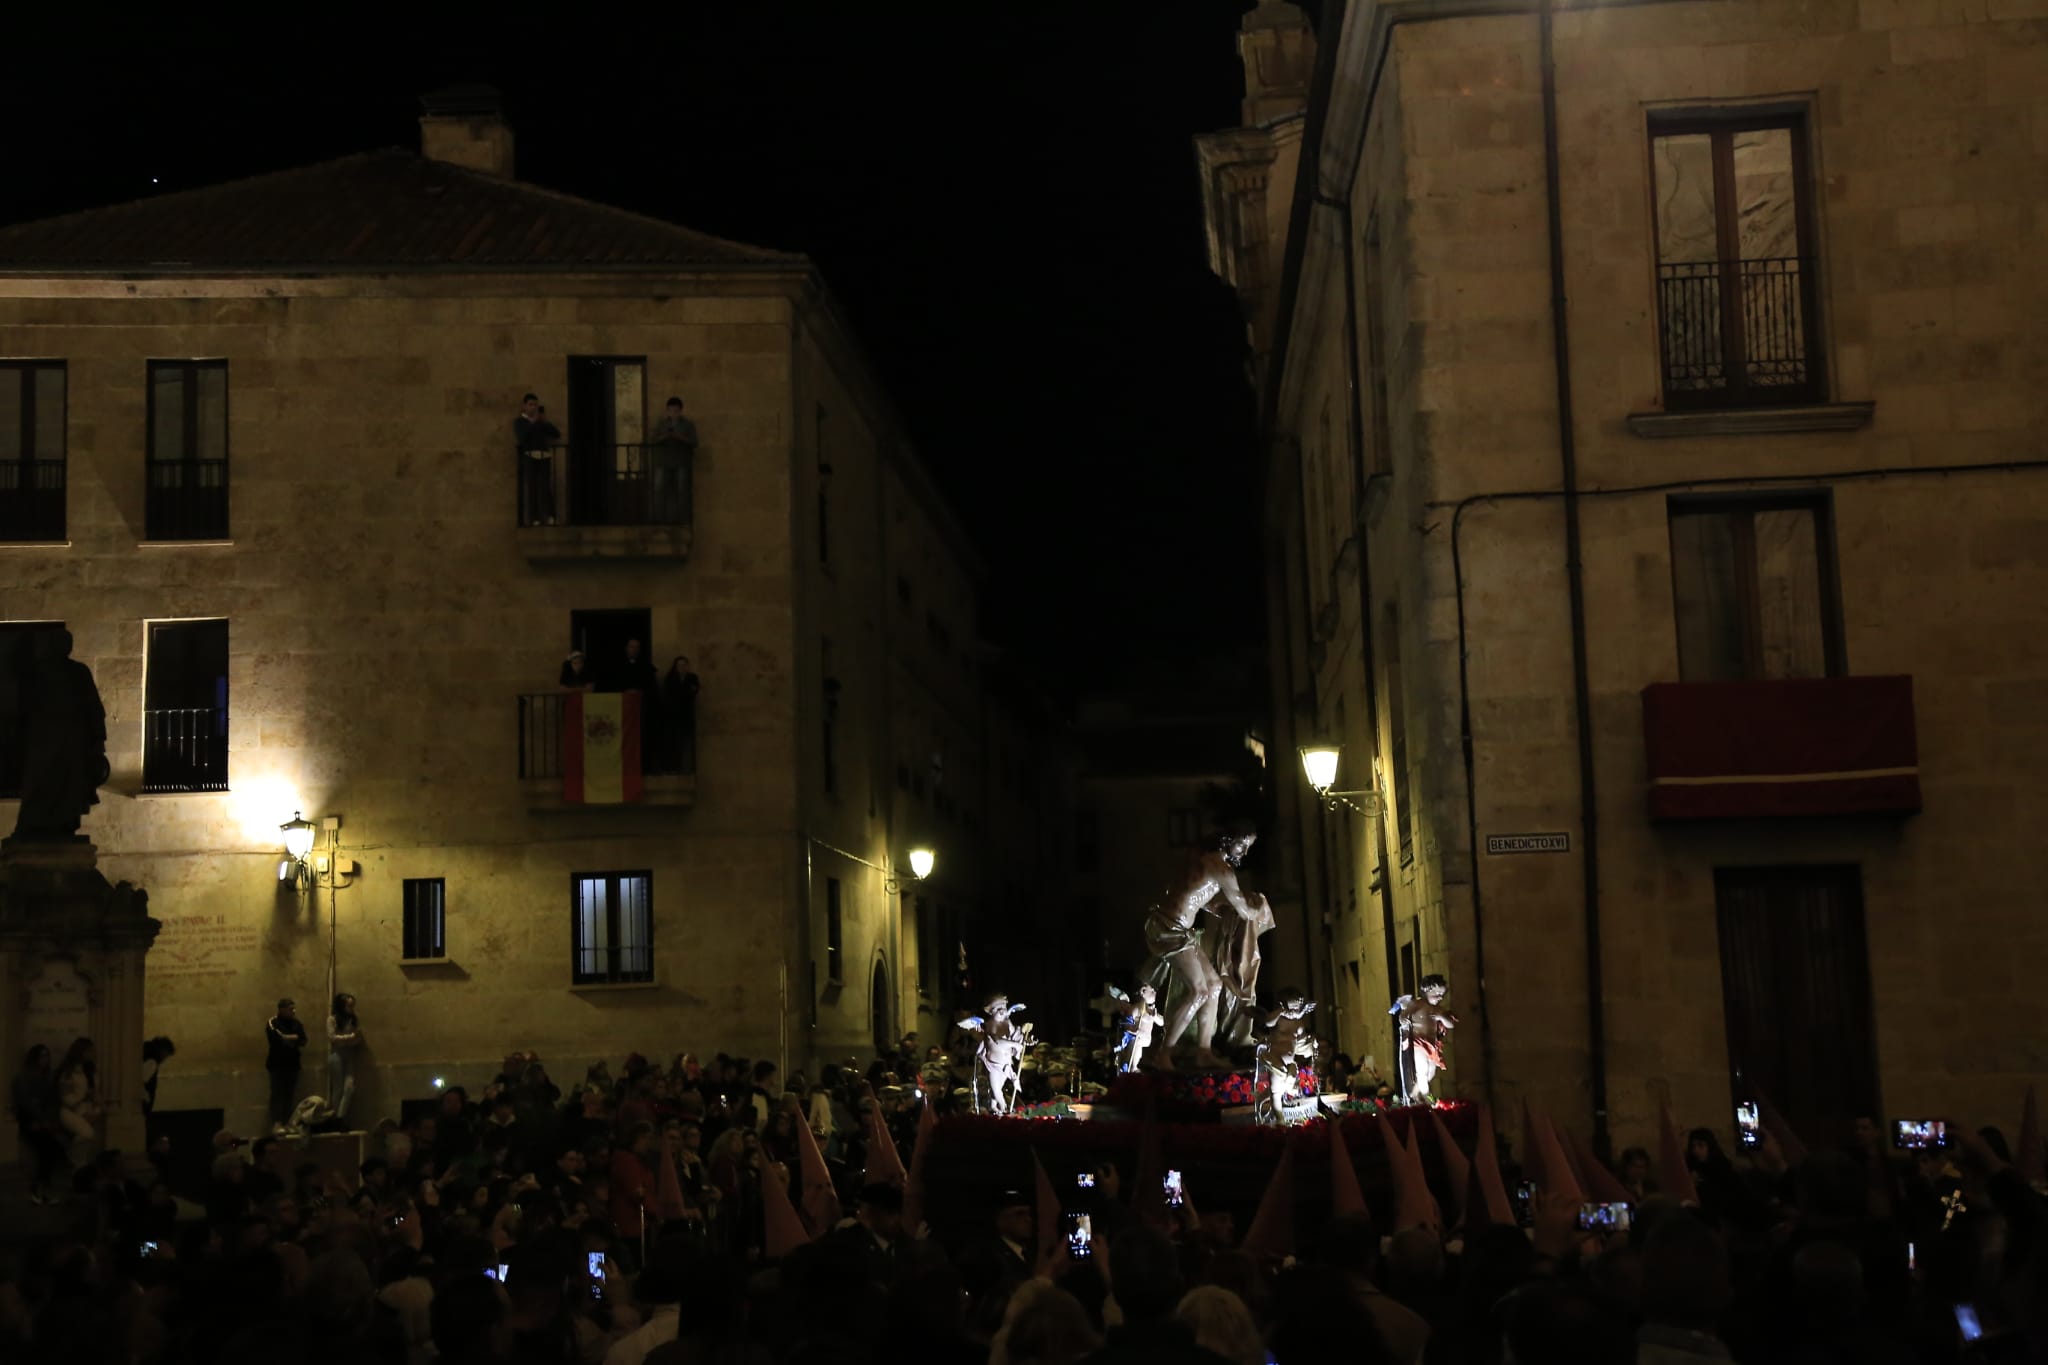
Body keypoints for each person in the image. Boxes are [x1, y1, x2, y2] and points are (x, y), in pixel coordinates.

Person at [1136, 823, 1274, 1069]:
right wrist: (1260, 905)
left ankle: (1204, 1051)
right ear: (1227, 841)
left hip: (1177, 929)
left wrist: (1215, 907)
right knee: (1199, 990)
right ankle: (1164, 1054)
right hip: (1169, 930)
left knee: (1214, 985)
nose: (1243, 852)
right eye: (1241, 844)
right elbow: (1245, 910)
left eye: (1247, 847)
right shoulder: (1222, 869)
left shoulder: (1201, 860)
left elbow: (1191, 894)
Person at [11, 1044, 67, 1203]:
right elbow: (26, 1104)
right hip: (30, 1122)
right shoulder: (22, 1078)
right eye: (42, 1056)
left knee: (52, 1148)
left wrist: (49, 1121)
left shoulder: (47, 1079)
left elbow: (53, 1102)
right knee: (47, 1148)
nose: (45, 1060)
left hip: (45, 1122)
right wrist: (41, 1120)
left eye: (47, 1056)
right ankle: (39, 1187)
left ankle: (42, 1186)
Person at [1390, 974, 1455, 1105]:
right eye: (1436, 993)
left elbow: (1450, 1024)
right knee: (1422, 1070)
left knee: (1431, 1072)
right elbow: (1403, 1015)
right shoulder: (1417, 1004)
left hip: (1431, 1044)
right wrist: (1404, 1020)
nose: (1440, 997)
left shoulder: (1438, 1009)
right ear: (1426, 990)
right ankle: (1427, 1095)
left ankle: (1414, 1093)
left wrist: (1441, 1018)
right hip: (1418, 1042)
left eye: (1442, 994)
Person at [648, 396, 696, 523]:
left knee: (682, 490)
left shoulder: (687, 425)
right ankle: (658, 519)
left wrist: (679, 437)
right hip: (663, 461)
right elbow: (653, 440)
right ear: (667, 411)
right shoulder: (662, 424)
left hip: (681, 461)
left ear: (680, 411)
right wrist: (665, 436)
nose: (673, 413)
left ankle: (682, 520)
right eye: (671, 410)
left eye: (676, 411)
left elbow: (694, 442)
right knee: (658, 490)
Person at [516, 393, 562, 525]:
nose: (533, 407)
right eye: (530, 405)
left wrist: (544, 421)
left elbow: (556, 434)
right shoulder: (520, 422)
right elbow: (522, 437)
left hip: (543, 457)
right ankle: (534, 518)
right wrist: (533, 423)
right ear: (524, 406)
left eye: (535, 405)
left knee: (545, 487)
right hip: (530, 457)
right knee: (532, 488)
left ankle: (549, 516)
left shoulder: (541, 423)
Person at [55, 1037, 98, 1161]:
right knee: (87, 1134)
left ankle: (79, 1164)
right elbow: (67, 1100)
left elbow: (96, 1093)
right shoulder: (68, 1072)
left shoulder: (91, 1070)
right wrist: (84, 1095)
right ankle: (70, 1158)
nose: (92, 1054)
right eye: (89, 1051)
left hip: (87, 1110)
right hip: (69, 1112)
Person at [326, 992, 362, 1123]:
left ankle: (340, 1117)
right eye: (349, 1006)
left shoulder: (353, 1019)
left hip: (349, 1054)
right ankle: (335, 1117)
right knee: (338, 1088)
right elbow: (332, 1038)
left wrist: (349, 1039)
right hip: (337, 1055)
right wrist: (349, 1038)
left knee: (350, 1087)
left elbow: (358, 1038)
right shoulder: (332, 1019)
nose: (351, 1009)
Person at [660, 656, 699, 774]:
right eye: (679, 665)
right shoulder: (671, 679)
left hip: (686, 716)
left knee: (687, 744)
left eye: (684, 665)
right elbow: (670, 696)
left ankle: (686, 770)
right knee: (674, 744)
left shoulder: (692, 678)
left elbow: (693, 692)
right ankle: (674, 769)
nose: (681, 668)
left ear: (687, 666)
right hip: (673, 718)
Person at [139, 1036, 175, 1116]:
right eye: (166, 1055)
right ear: (163, 1050)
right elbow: (140, 1081)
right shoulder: (152, 1062)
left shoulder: (144, 1052)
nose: (164, 1059)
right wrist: (146, 1099)